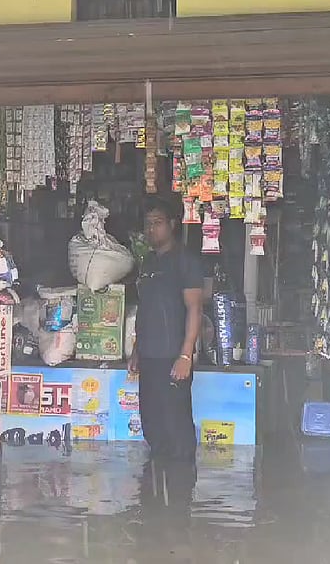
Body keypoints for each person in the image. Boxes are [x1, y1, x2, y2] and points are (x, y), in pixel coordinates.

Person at [128, 198, 205, 462]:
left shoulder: (185, 261)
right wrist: (137, 349)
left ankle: (181, 491)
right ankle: (158, 490)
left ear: (172, 225)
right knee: (151, 422)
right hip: (149, 357)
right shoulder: (148, 262)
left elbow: (195, 309)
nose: (151, 229)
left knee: (176, 427)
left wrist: (186, 356)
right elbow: (145, 308)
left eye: (158, 223)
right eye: (148, 224)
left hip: (173, 359)